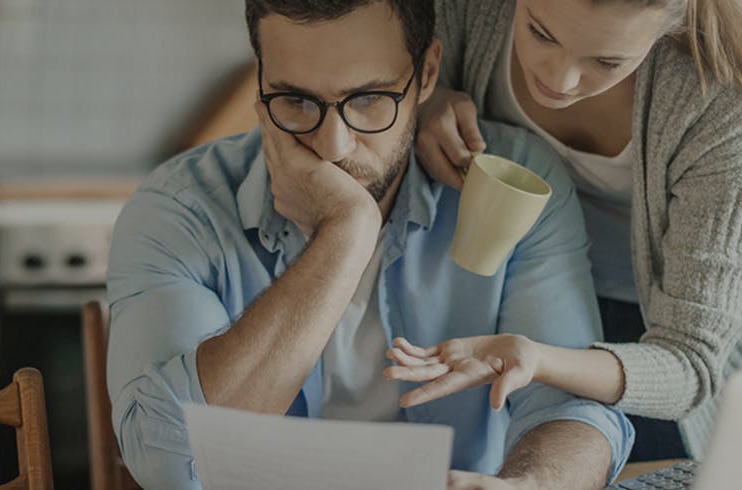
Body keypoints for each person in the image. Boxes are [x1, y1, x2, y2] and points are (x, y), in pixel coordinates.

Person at [106, 1, 634, 489]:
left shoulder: (514, 187)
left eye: (368, 100)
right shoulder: (181, 208)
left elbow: (570, 407)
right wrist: (346, 233)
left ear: (427, 74)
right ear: (260, 78)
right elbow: (169, 462)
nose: (333, 146)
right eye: (294, 100)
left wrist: (531, 486)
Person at [384, 0, 742, 462]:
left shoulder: (721, 101)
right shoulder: (472, 9)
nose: (559, 79)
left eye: (607, 61)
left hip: (672, 324)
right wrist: (427, 98)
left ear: (671, 25)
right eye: (541, 33)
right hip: (542, 276)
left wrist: (540, 358)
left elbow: (689, 362)